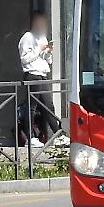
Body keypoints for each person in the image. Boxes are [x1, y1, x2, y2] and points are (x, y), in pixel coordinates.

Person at [18, 11, 59, 147]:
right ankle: (30, 138)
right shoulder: (27, 37)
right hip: (32, 74)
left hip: (42, 74)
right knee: (32, 107)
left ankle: (58, 134)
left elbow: (47, 60)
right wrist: (38, 49)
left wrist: (48, 51)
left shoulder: (42, 37)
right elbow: (25, 59)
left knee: (48, 106)